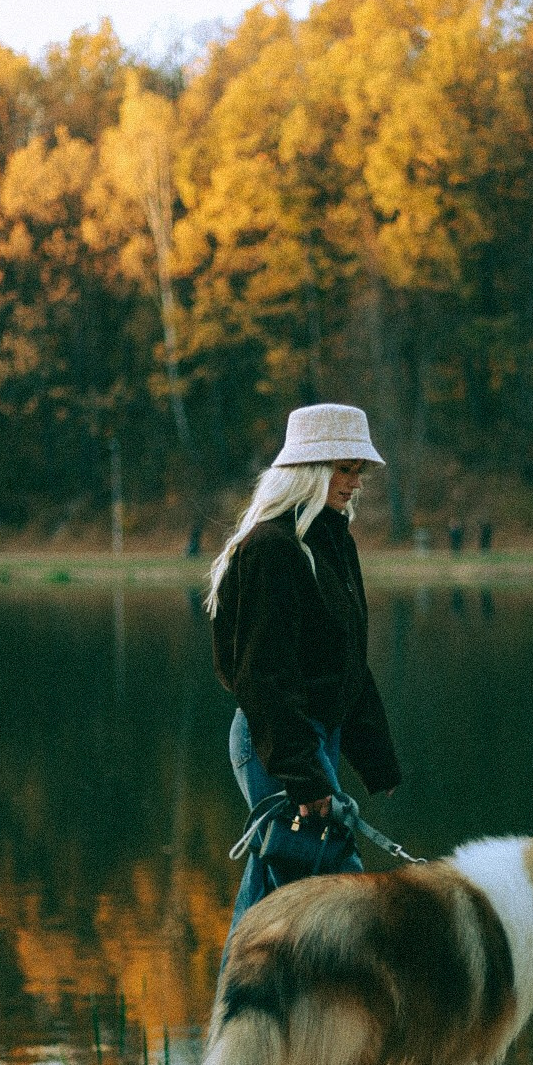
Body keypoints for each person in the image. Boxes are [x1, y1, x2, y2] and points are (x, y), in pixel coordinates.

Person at [207, 403, 403, 942]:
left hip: (307, 735)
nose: (354, 482)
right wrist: (303, 773)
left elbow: (346, 661)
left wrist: (376, 760)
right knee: (336, 886)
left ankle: (242, 1016)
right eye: (343, 468)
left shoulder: (332, 541)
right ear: (308, 471)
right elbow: (262, 674)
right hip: (277, 737)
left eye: (358, 470)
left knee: (276, 886)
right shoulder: (272, 548)